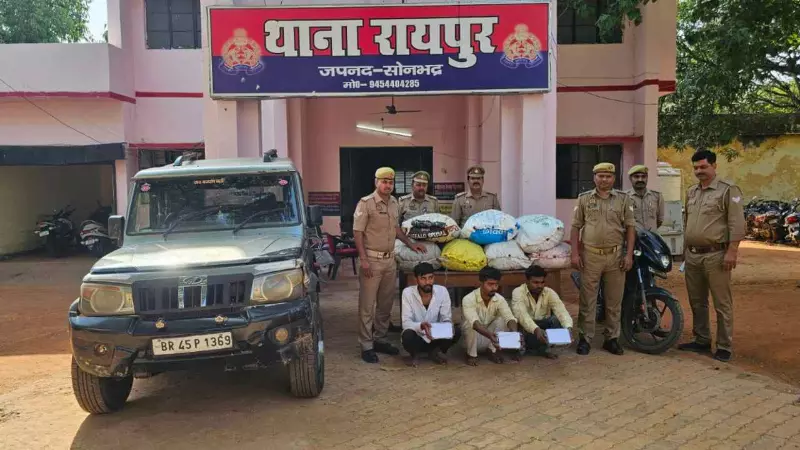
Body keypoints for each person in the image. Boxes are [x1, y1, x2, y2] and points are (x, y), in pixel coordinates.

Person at [353, 167, 426, 364]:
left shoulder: (394, 202)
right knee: (367, 305)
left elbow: (396, 229)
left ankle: (380, 338)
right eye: (384, 181)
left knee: (385, 304)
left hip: (389, 260)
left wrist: (410, 244)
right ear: (376, 182)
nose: (387, 185)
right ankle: (366, 345)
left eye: (390, 182)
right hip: (372, 260)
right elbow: (358, 232)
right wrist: (363, 259)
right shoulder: (366, 203)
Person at [678, 150, 745, 363]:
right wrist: (685, 252)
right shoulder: (691, 192)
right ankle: (701, 339)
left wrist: (732, 251)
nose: (699, 171)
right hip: (693, 255)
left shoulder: (728, 190)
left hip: (716, 255)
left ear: (714, 166)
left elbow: (737, 223)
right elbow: (687, 223)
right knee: (697, 301)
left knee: (721, 303)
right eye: (696, 167)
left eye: (703, 167)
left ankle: (724, 346)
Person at [570, 162, 636, 356]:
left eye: (608, 176)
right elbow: (575, 227)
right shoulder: (584, 199)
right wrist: (575, 253)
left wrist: (628, 254)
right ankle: (585, 338)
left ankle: (611, 338)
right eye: (600, 176)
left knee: (614, 301)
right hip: (591, 256)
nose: (604, 179)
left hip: (615, 256)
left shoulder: (623, 199)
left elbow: (630, 227)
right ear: (594, 178)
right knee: (588, 299)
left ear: (613, 179)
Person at [400, 262, 460, 366]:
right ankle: (415, 354)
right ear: (416, 279)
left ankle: (436, 351)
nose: (427, 282)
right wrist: (421, 326)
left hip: (436, 337)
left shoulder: (442, 291)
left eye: (430, 278)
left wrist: (444, 327)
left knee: (456, 331)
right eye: (423, 278)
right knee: (407, 335)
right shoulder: (407, 293)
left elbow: (446, 318)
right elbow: (406, 322)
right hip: (417, 337)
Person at [461, 267, 521, 366]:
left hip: (491, 339)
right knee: (470, 324)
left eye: (496, 284)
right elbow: (475, 324)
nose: (494, 288)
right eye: (490, 284)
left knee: (503, 320)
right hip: (472, 340)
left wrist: (514, 334)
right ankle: (471, 355)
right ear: (481, 283)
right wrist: (490, 336)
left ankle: (492, 351)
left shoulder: (499, 299)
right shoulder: (468, 299)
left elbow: (509, 317)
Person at [511, 265, 573, 359]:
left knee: (556, 320)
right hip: (527, 330)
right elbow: (521, 315)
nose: (539, 286)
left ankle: (545, 349)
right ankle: (522, 349)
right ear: (527, 281)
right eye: (535, 282)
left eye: (542, 282)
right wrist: (536, 329)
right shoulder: (518, 292)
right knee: (515, 322)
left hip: (543, 329)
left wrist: (568, 328)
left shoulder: (549, 292)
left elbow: (561, 311)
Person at [625, 165, 664, 231]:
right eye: (636, 177)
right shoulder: (624, 197)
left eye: (643, 176)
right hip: (633, 236)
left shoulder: (657, 196)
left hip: (651, 236)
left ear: (647, 178)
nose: (640, 179)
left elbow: (659, 220)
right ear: (630, 178)